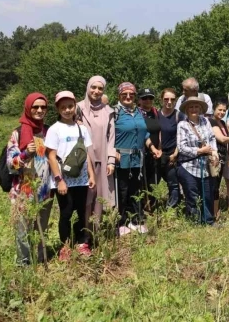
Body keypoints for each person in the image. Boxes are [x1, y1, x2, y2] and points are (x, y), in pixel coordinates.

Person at [46, 91, 96, 259]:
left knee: (82, 212)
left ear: (75, 106)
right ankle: (65, 246)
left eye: (70, 106)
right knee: (66, 213)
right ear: (57, 109)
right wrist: (59, 180)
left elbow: (86, 154)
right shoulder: (54, 129)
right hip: (64, 180)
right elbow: (51, 156)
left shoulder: (82, 129)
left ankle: (82, 243)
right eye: (63, 107)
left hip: (81, 180)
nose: (67, 110)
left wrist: (91, 175)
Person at [7, 93, 52, 265]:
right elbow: (11, 165)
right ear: (28, 108)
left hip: (44, 190)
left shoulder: (48, 131)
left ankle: (40, 260)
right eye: (35, 107)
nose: (39, 110)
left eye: (43, 107)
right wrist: (25, 153)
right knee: (22, 229)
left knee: (42, 227)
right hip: (23, 190)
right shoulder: (18, 134)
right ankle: (23, 262)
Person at [114, 83, 157, 235]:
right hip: (122, 159)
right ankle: (121, 222)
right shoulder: (115, 112)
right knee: (122, 191)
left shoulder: (138, 111)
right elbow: (108, 135)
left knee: (136, 190)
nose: (128, 97)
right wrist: (113, 153)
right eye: (124, 94)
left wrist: (152, 148)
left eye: (131, 94)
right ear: (119, 95)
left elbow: (144, 133)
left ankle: (136, 220)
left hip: (138, 159)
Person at [76, 76, 116, 236]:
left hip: (103, 161)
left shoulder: (109, 111)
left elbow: (111, 137)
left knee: (100, 199)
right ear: (88, 87)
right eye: (93, 87)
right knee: (85, 199)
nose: (96, 91)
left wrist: (111, 161)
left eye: (100, 88)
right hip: (83, 162)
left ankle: (95, 234)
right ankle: (83, 235)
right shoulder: (77, 108)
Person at [177, 96, 218, 225]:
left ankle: (208, 221)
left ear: (200, 108)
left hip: (206, 165)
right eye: (191, 107)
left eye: (196, 106)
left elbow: (212, 138)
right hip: (189, 166)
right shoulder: (182, 125)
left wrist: (214, 152)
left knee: (207, 194)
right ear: (187, 109)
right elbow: (181, 147)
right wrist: (199, 151)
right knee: (192, 196)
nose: (194, 109)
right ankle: (195, 222)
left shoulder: (206, 121)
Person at [210, 99, 229, 218]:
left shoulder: (222, 122)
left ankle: (215, 212)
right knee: (214, 185)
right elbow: (221, 139)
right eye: (219, 110)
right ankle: (214, 213)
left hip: (223, 157)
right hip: (215, 157)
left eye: (224, 110)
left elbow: (227, 138)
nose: (222, 112)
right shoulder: (211, 122)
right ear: (214, 109)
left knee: (216, 184)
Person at [157, 88, 184, 208]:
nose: (169, 102)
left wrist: (176, 154)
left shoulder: (179, 115)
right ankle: (151, 207)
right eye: (166, 99)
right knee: (154, 182)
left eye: (172, 99)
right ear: (161, 100)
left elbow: (183, 136)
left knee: (173, 183)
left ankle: (171, 209)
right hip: (158, 154)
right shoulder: (156, 114)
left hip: (173, 154)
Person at [138, 88, 162, 212]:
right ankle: (142, 207)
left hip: (155, 153)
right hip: (142, 152)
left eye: (150, 98)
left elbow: (160, 131)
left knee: (154, 181)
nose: (148, 100)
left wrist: (159, 148)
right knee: (142, 182)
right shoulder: (137, 113)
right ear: (139, 100)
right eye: (144, 98)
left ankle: (151, 206)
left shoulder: (156, 112)